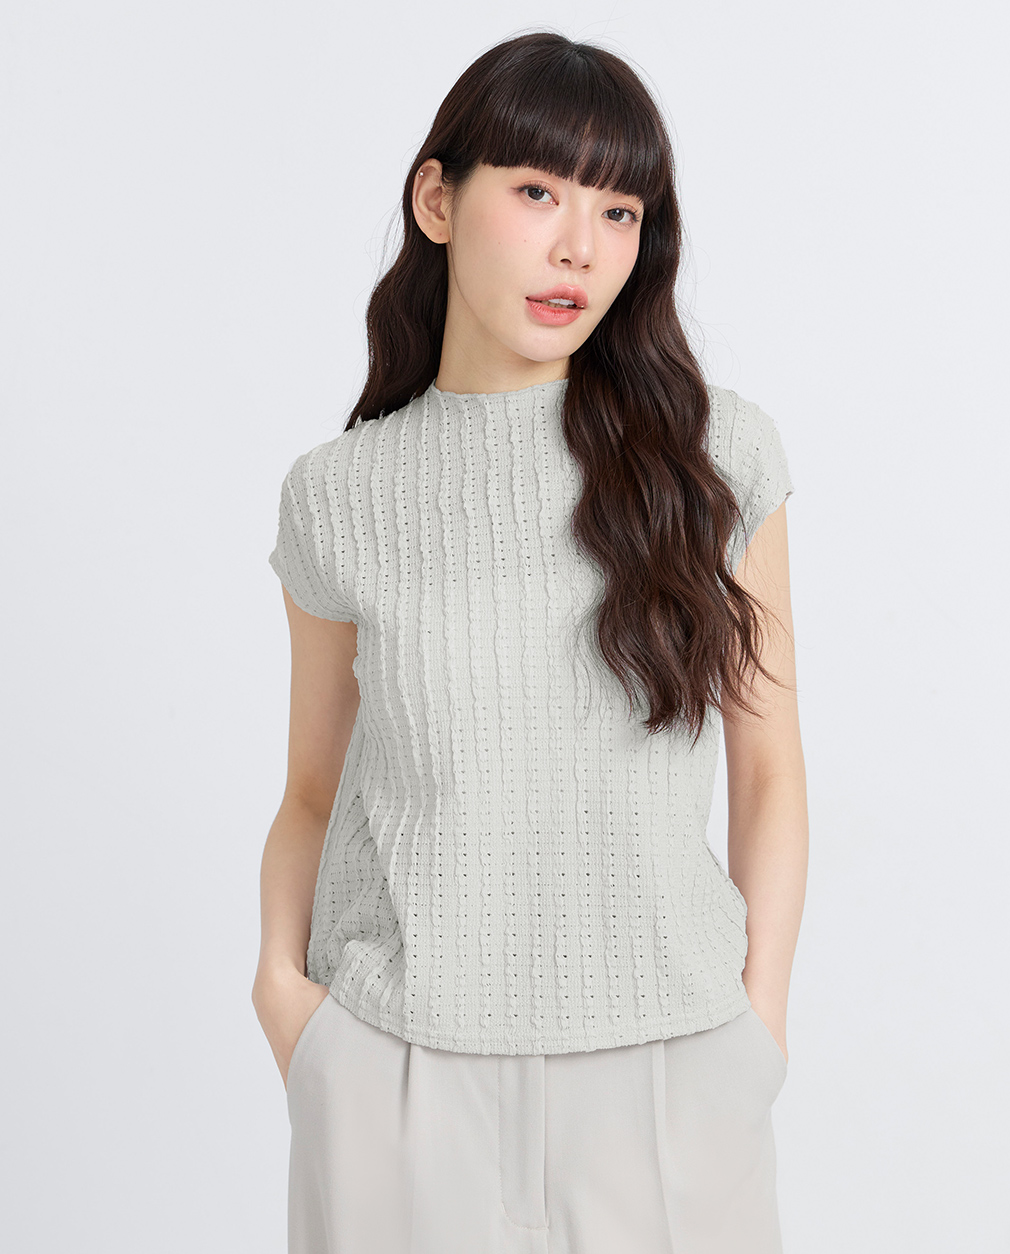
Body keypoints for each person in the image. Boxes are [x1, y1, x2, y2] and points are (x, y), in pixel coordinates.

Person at [252, 29, 808, 1254]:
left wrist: (755, 1030)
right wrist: (288, 1004)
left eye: (619, 212)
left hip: (672, 1073)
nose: (579, 249)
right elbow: (311, 791)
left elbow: (769, 773)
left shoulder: (716, 457)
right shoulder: (337, 496)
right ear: (437, 201)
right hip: (397, 1079)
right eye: (539, 192)